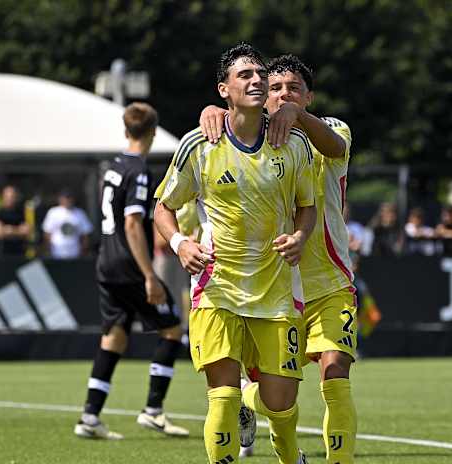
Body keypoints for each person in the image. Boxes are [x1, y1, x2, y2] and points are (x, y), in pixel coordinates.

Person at [154, 44, 316, 464]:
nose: (257, 80)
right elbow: (163, 207)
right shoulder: (199, 144)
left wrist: (299, 236)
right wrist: (181, 243)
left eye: (260, 74)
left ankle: (290, 453)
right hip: (216, 288)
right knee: (221, 398)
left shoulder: (291, 143)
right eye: (245, 75)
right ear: (224, 89)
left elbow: (307, 206)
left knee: (280, 403)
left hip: (277, 288)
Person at [200, 53, 360, 463]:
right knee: (278, 396)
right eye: (275, 88)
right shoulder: (252, 139)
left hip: (328, 283)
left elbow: (336, 144)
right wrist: (216, 110)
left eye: (293, 88)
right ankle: (250, 401)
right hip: (272, 287)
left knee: (335, 370)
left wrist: (298, 117)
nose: (283, 94)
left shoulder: (325, 129)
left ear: (309, 97)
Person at [73, 102, 188, 441]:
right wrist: (150, 275)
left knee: (115, 336)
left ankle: (90, 416)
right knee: (172, 330)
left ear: (126, 131)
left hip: (105, 262)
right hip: (128, 265)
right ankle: (153, 410)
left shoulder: (112, 167)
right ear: (153, 132)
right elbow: (133, 222)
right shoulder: (138, 170)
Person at [41, 190, 93, 258]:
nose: (67, 200)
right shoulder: (53, 212)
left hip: (75, 253)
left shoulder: (80, 213)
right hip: (57, 253)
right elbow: (47, 232)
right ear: (60, 199)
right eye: (65, 198)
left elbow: (85, 234)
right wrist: (48, 250)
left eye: (69, 198)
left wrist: (83, 251)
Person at [0, 185, 30, 256]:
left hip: (19, 253)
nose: (10, 199)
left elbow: (26, 231)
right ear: (3, 197)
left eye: (12, 197)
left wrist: (9, 230)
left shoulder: (21, 212)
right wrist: (17, 231)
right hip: (2, 253)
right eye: (7, 197)